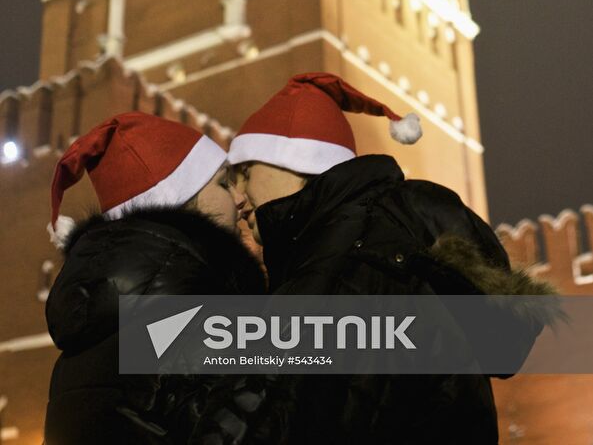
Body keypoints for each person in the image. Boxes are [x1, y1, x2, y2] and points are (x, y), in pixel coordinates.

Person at [226, 72, 560, 445]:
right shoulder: (322, 249)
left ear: (291, 159)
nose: (237, 197)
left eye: (243, 173)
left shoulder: (362, 242)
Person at [43, 111, 268, 445]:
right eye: (223, 183)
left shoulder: (84, 346)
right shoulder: (191, 324)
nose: (239, 198)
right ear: (180, 202)